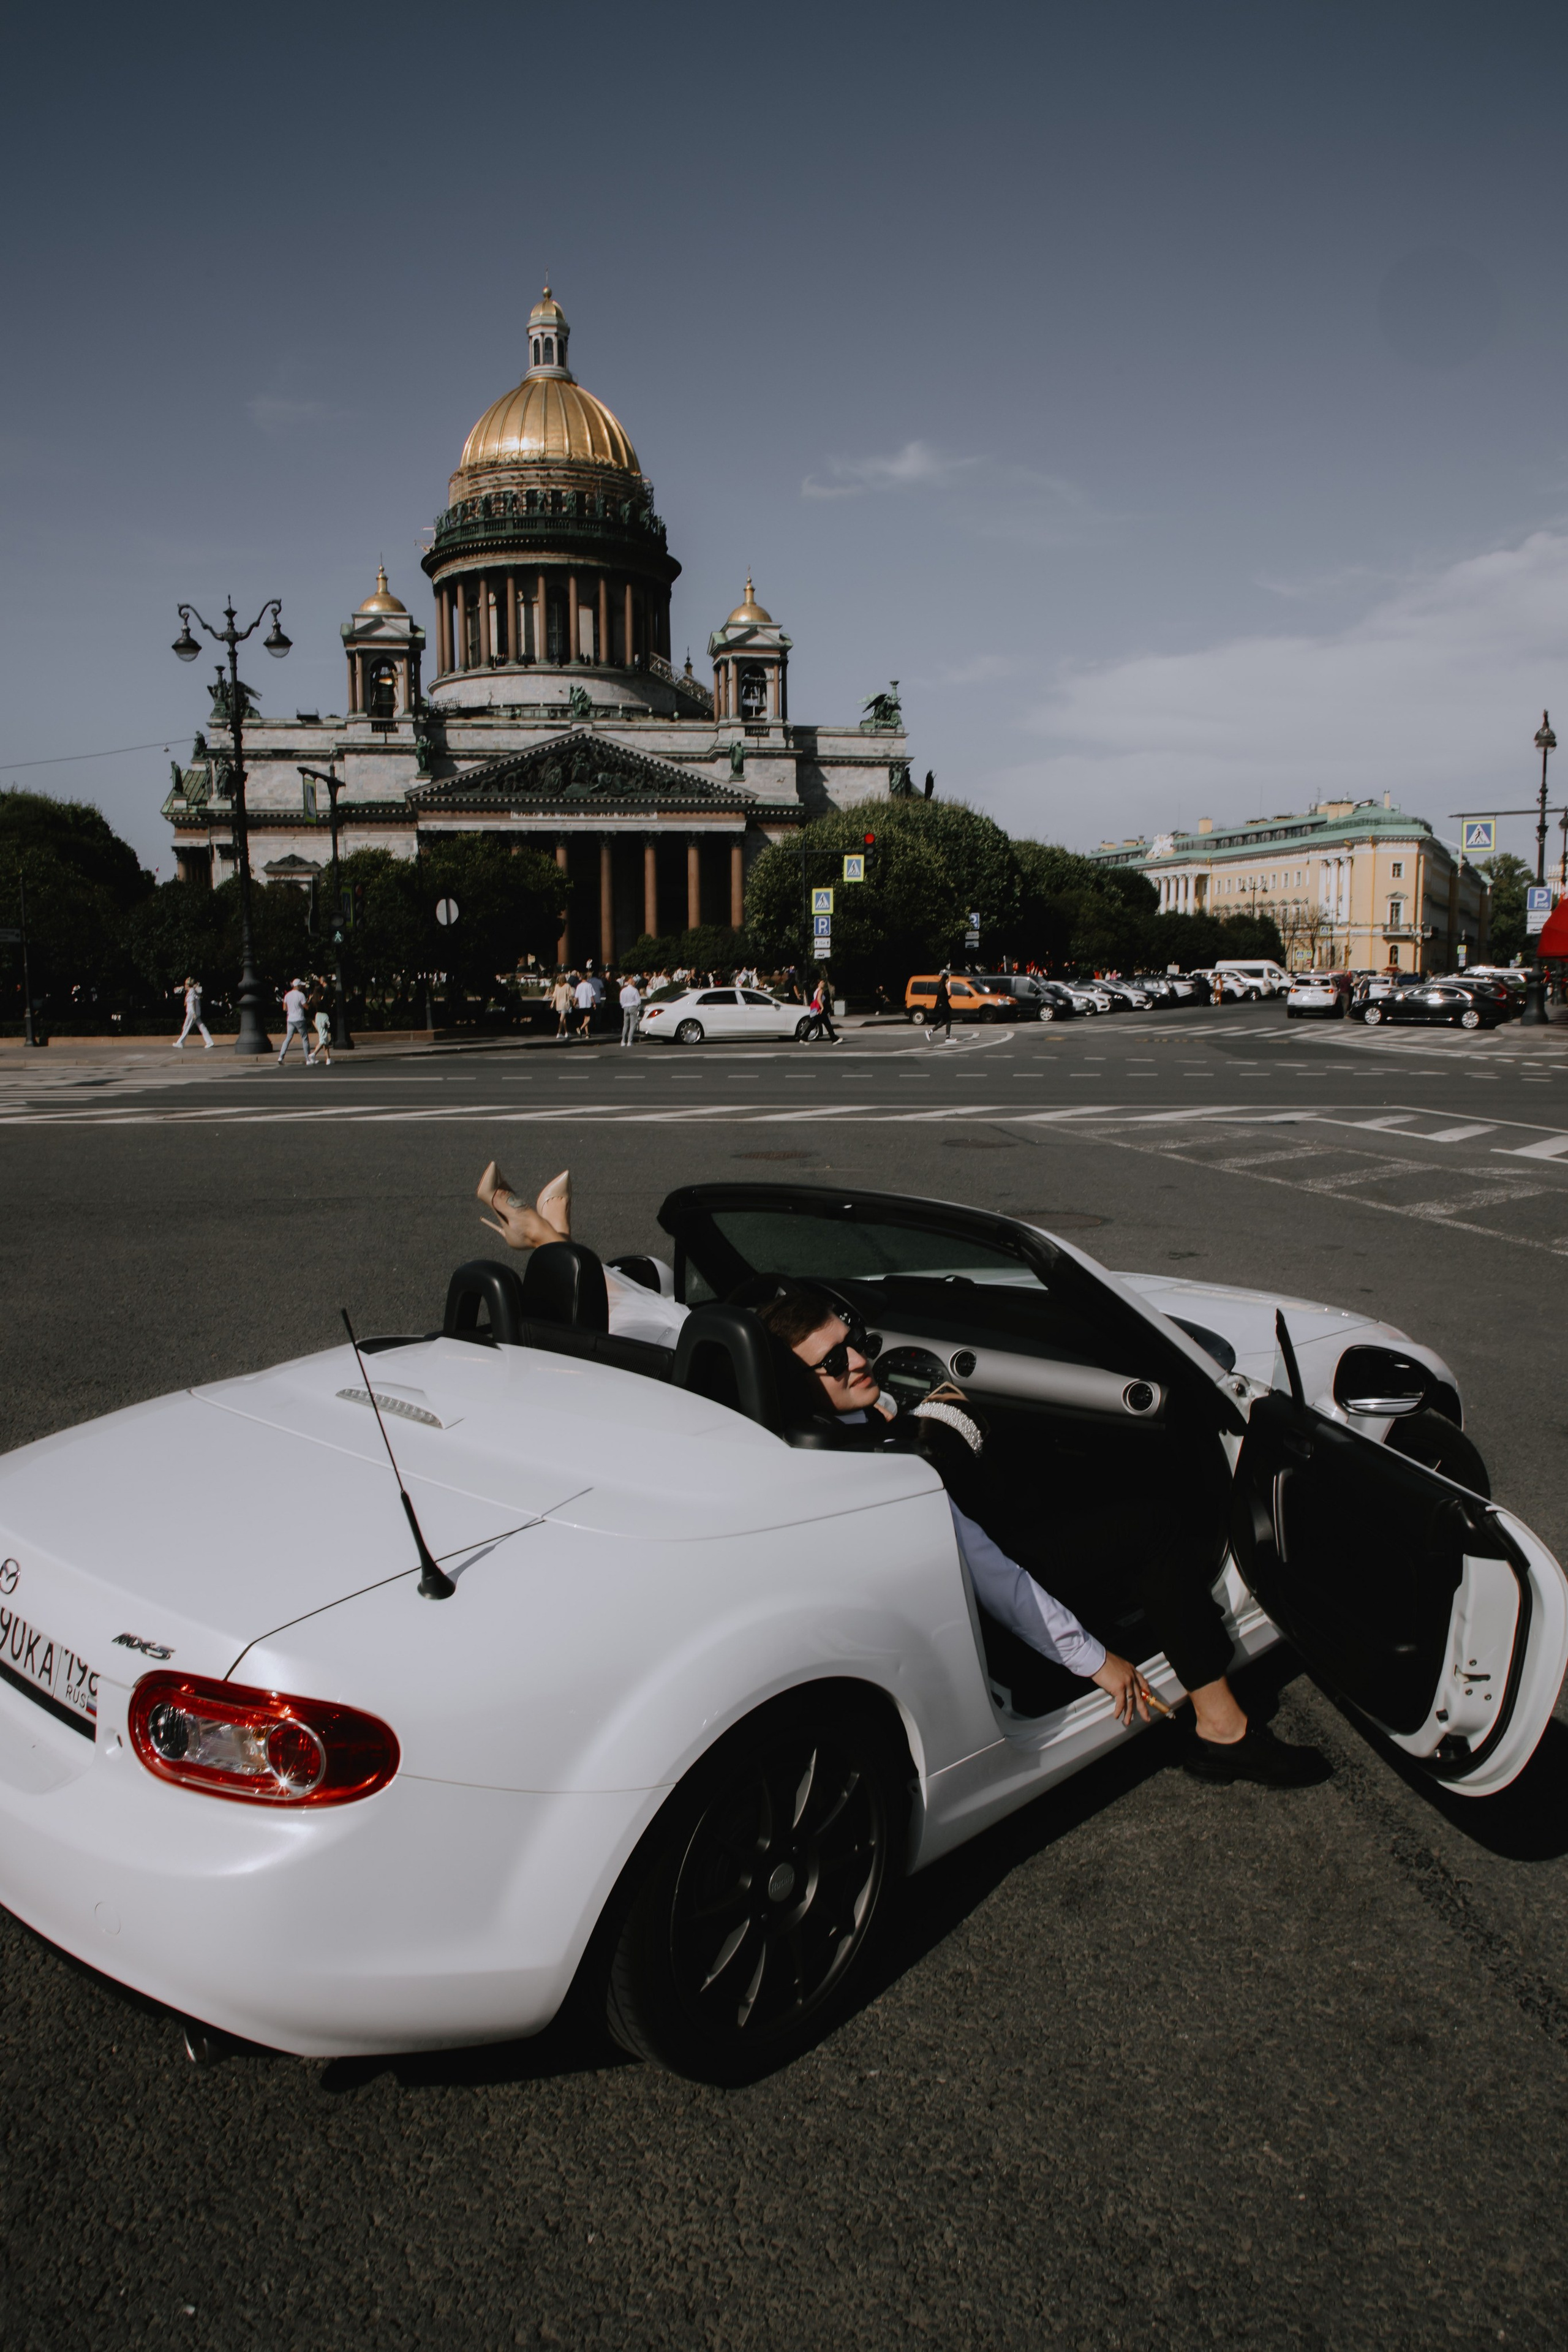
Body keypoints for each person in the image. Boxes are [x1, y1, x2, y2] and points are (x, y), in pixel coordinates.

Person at [750, 1279, 1330, 1788]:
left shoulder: (799, 1430)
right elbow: (993, 1575)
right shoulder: (892, 1464)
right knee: (1151, 1524)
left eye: (853, 1340)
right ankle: (1222, 1728)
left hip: (971, 1542)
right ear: (800, 1382)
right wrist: (1099, 1661)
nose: (858, 1360)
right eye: (833, 1363)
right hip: (990, 1582)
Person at [172, 976, 213, 1050]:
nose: (185, 986)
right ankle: (210, 1042)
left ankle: (180, 1043)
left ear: (188, 985)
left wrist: (193, 1013)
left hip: (192, 1013)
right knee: (202, 1027)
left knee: (186, 1027)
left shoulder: (191, 993)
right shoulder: (193, 991)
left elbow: (192, 1004)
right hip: (196, 1013)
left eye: (186, 985)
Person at [277, 978, 311, 1065]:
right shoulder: (301, 995)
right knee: (305, 1038)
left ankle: (281, 1057)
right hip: (299, 1019)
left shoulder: (287, 995)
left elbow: (284, 1008)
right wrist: (309, 1001)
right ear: (298, 986)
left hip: (290, 1019)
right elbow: (306, 1007)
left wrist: (291, 1009)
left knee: (288, 1038)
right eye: (301, 985)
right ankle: (308, 1059)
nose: (302, 987)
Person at [804, 975, 839, 1042]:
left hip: (818, 1010)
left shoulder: (816, 991)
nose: (824, 983)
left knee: (816, 1024)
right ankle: (834, 1038)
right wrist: (822, 1007)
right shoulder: (820, 990)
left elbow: (816, 999)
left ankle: (834, 1038)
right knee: (826, 1025)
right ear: (819, 984)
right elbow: (818, 999)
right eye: (822, 982)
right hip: (820, 1010)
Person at [307, 978, 333, 1068]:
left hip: (317, 1017)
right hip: (324, 1017)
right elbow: (328, 1007)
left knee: (324, 1039)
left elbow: (311, 1012)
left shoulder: (313, 999)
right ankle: (314, 1054)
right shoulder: (323, 998)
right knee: (323, 1038)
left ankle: (328, 1059)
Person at [927, 968, 952, 1044]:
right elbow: (943, 999)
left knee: (943, 1021)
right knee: (948, 1021)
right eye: (948, 979)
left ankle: (930, 1031)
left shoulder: (941, 986)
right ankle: (948, 1037)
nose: (948, 981)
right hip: (944, 1007)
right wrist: (949, 997)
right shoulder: (943, 988)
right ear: (946, 979)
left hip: (942, 1007)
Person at [618, 972, 643, 1047]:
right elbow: (639, 1001)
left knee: (625, 1025)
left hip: (625, 1007)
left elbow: (621, 1000)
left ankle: (623, 1041)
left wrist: (623, 1006)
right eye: (634, 982)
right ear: (632, 983)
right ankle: (630, 1041)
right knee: (633, 1025)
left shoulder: (623, 990)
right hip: (633, 1007)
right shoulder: (635, 990)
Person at [549, 973, 575, 1039]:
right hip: (565, 1004)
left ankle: (567, 1032)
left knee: (563, 1019)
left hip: (559, 1005)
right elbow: (570, 995)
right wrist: (574, 1002)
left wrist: (552, 1003)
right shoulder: (567, 986)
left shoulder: (557, 986)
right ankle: (559, 1033)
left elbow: (555, 996)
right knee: (562, 1019)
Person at [573, 971, 596, 1040]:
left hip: (581, 1004)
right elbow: (591, 996)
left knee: (585, 1019)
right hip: (588, 1004)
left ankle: (587, 1034)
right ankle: (581, 1029)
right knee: (589, 1019)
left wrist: (574, 1004)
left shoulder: (579, 986)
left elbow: (576, 997)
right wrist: (594, 1003)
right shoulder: (589, 985)